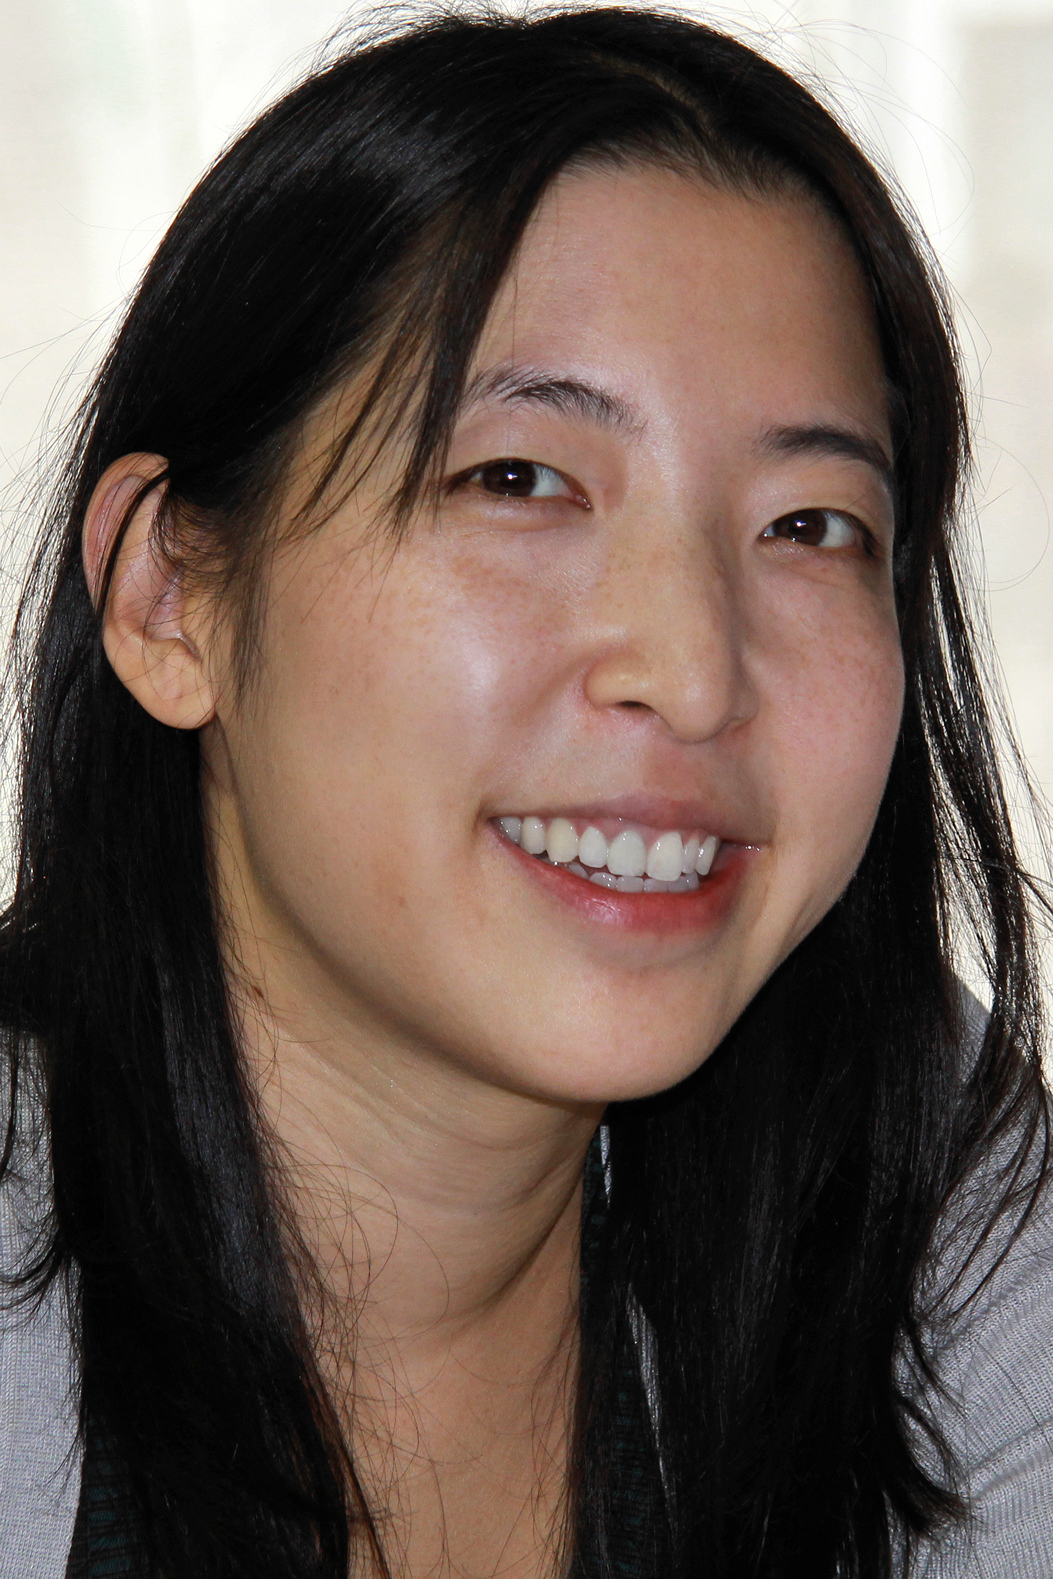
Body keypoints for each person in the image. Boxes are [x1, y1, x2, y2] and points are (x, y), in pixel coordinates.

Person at [0, 6, 1050, 1576]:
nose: (693, 672)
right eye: (519, 482)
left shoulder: (919, 1191)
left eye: (813, 525)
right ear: (169, 600)